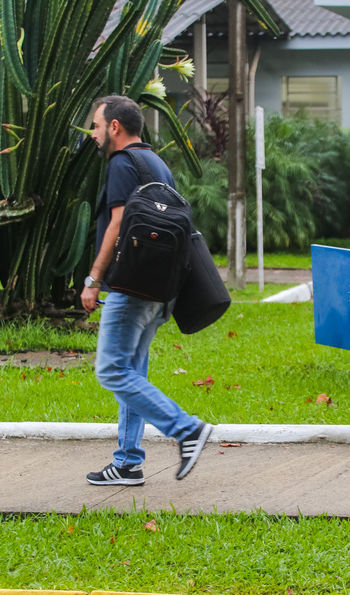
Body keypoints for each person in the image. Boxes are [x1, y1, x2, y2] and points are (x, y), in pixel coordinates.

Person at [80, 95, 212, 486]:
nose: (93, 134)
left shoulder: (122, 164)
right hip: (160, 289)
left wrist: (92, 279)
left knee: (111, 369)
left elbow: (117, 224)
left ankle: (187, 429)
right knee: (131, 370)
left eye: (96, 126)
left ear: (115, 128)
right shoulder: (156, 163)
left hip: (131, 285)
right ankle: (127, 461)